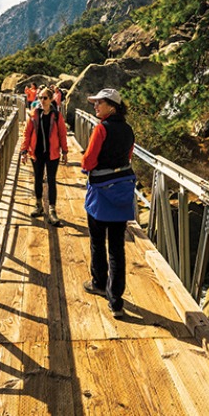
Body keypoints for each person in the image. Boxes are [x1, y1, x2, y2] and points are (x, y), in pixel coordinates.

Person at [80, 88, 135, 318]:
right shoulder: (128, 129)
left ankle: (99, 281)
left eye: (99, 103)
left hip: (101, 194)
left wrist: (85, 164)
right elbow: (129, 155)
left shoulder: (101, 128)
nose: (95, 106)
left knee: (97, 241)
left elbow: (88, 161)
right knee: (117, 248)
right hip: (122, 192)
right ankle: (116, 301)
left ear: (111, 106)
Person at [21, 88, 69, 226]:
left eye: (44, 98)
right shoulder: (33, 115)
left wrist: (65, 151)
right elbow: (26, 133)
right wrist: (24, 151)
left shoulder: (57, 116)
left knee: (51, 180)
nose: (41, 101)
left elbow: (62, 134)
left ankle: (52, 210)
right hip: (36, 153)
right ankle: (39, 205)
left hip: (52, 153)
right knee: (38, 178)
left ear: (51, 99)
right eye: (40, 98)